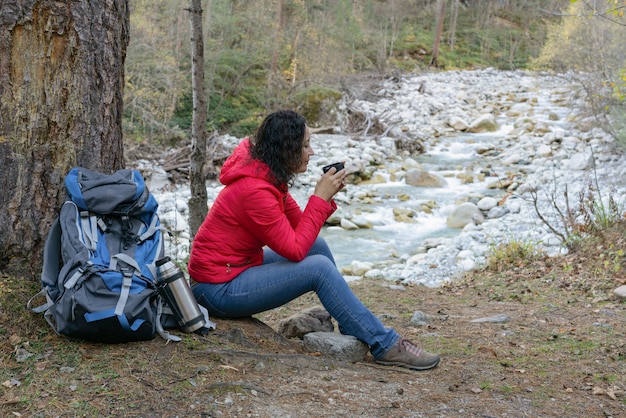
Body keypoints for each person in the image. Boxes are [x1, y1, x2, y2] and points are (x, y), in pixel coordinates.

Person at [188, 110, 440, 371]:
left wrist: (326, 197)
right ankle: (384, 344)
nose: (312, 152)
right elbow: (295, 250)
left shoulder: (267, 177)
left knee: (317, 247)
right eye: (305, 145)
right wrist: (318, 198)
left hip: (238, 268)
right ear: (287, 149)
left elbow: (301, 229)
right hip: (217, 288)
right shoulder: (254, 190)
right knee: (317, 268)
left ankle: (351, 323)